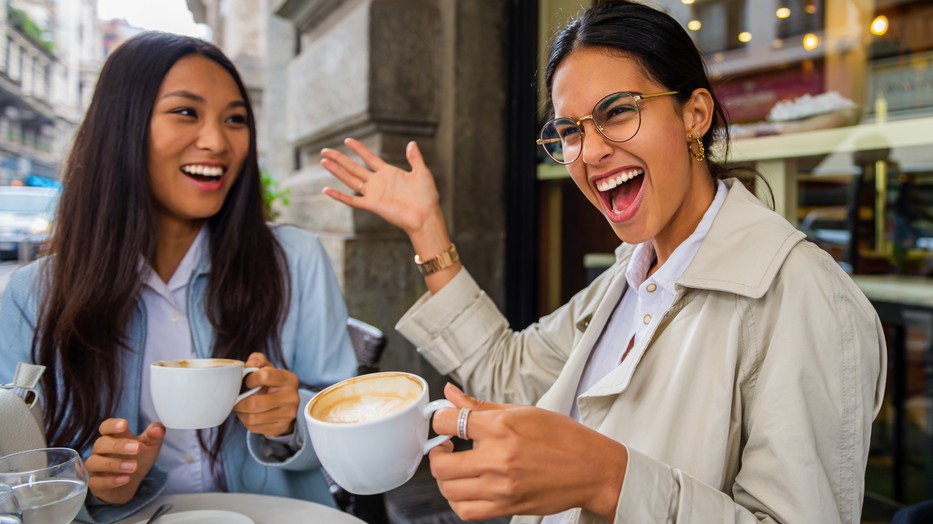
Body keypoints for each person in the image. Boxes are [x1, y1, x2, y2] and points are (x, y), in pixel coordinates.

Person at [319, 1, 887, 522]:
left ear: (694, 115)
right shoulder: (628, 277)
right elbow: (508, 373)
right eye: (569, 130)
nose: (589, 153)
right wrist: (426, 229)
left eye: (618, 112)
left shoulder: (803, 297)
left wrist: (608, 479)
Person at [0, 32, 357, 523]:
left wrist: (293, 418)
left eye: (235, 119)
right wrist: (96, 487)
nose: (216, 141)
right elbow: (16, 474)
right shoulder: (33, 296)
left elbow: (353, 416)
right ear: (122, 127)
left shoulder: (295, 259)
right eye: (186, 112)